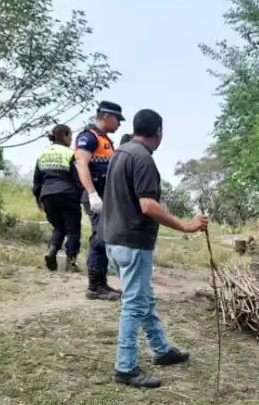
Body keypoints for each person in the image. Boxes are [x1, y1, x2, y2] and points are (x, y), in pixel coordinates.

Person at [103, 108, 208, 388]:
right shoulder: (143, 159)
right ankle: (125, 368)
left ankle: (161, 350)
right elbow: (147, 206)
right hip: (133, 242)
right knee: (135, 304)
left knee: (143, 297)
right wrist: (185, 225)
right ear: (159, 133)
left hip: (113, 240)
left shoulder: (120, 153)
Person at [74, 101, 125, 300]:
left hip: (106, 197)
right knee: (99, 237)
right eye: (117, 119)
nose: (119, 124)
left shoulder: (106, 140)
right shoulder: (89, 137)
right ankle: (95, 286)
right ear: (105, 116)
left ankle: (101, 283)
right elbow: (81, 164)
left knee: (104, 236)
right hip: (96, 196)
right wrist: (92, 193)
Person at [33, 124, 81, 272]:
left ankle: (51, 251)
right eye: (70, 137)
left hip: (48, 195)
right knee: (73, 229)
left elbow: (37, 182)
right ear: (65, 135)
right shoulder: (70, 153)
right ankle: (71, 262)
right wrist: (80, 196)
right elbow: (78, 178)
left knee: (58, 227)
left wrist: (38, 199)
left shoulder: (43, 154)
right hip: (68, 194)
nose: (71, 140)